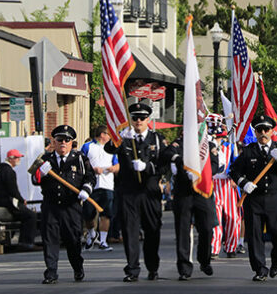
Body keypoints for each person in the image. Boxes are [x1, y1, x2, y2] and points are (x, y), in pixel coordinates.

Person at [229, 115, 277, 282]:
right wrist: (243, 183)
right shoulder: (248, 151)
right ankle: (259, 269)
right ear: (256, 132)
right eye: (259, 130)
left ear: (272, 131)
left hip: (275, 199)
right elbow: (234, 171)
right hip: (255, 200)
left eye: (266, 129)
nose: (263, 133)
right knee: (254, 236)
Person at [104, 103, 167, 283]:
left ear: (148, 119)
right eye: (135, 118)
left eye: (141, 118)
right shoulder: (124, 138)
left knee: (152, 230)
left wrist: (147, 167)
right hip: (129, 192)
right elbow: (109, 149)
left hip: (149, 191)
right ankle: (132, 269)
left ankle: (152, 267)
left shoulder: (156, 139)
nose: (138, 121)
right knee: (130, 231)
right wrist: (117, 137)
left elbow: (163, 165)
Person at [32, 125, 95, 284]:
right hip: (51, 205)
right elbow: (33, 179)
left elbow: (90, 178)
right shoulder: (44, 159)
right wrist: (40, 173)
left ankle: (77, 267)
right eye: (59, 139)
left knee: (73, 240)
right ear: (54, 141)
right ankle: (51, 272)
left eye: (67, 140)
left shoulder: (80, 158)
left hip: (71, 206)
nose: (63, 143)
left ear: (71, 142)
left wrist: (86, 190)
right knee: (50, 240)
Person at [161, 135, 216, 281]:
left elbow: (215, 165)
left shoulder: (207, 144)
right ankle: (184, 268)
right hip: (184, 192)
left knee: (206, 228)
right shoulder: (179, 143)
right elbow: (166, 154)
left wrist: (200, 174)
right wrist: (180, 160)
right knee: (183, 230)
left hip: (202, 192)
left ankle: (204, 260)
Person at [207, 114, 241, 259]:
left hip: (227, 184)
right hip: (212, 183)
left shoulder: (230, 148)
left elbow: (237, 166)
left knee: (233, 217)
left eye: (220, 137)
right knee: (215, 218)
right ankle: (214, 248)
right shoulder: (205, 147)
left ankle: (231, 246)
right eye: (215, 137)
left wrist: (235, 179)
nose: (218, 139)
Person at [82, 126, 119, 252]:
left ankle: (103, 240)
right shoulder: (88, 146)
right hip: (91, 185)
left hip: (107, 184)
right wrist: (92, 169)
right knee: (88, 213)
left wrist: (112, 169)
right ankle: (92, 234)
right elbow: (81, 163)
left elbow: (117, 165)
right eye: (108, 134)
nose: (109, 137)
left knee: (106, 214)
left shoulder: (112, 148)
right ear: (102, 134)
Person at [0, 149, 37, 249]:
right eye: (17, 158)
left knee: (26, 215)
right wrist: (22, 200)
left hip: (2, 200)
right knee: (30, 216)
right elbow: (13, 190)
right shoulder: (9, 171)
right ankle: (26, 242)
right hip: (8, 201)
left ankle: (23, 241)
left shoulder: (1, 170)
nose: (19, 160)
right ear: (11, 159)